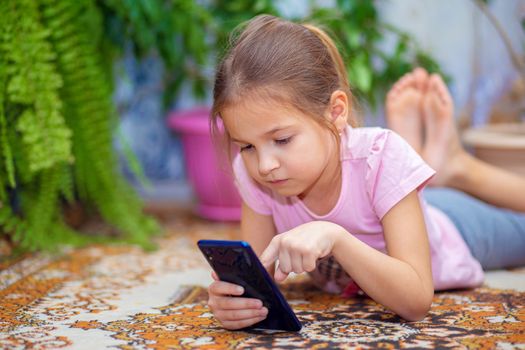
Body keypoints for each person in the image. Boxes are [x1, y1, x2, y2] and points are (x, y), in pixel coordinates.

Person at [207, 14, 525, 330]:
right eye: (246, 146)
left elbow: (415, 301)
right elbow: (261, 278)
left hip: (457, 231)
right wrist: (236, 301)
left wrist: (335, 238)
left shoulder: (377, 156)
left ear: (335, 113)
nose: (264, 165)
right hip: (394, 202)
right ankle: (417, 172)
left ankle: (457, 169)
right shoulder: (254, 176)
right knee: (396, 182)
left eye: (282, 140)